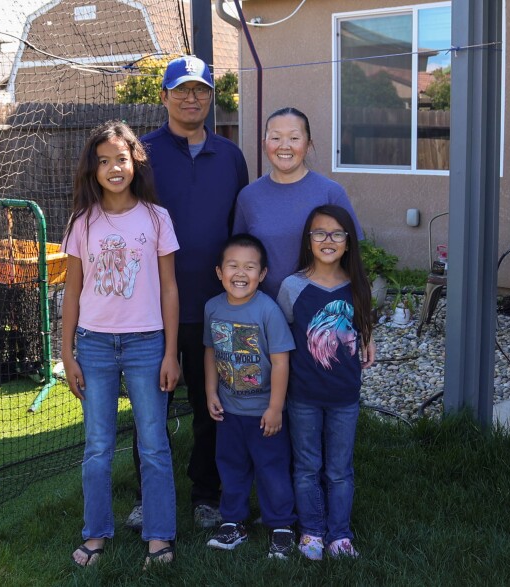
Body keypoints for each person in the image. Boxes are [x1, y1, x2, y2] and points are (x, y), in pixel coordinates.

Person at [126, 55, 250, 530]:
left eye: (200, 90)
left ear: (211, 98)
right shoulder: (143, 154)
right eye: (181, 90)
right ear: (164, 97)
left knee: (208, 405)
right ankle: (147, 496)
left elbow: (237, 229)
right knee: (149, 407)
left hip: (213, 305)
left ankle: (206, 494)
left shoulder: (231, 156)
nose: (191, 98)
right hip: (151, 307)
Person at [61, 121, 179, 568]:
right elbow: (72, 292)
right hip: (93, 346)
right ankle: (95, 534)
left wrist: (170, 351)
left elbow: (169, 288)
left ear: (135, 164)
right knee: (97, 446)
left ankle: (160, 537)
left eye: (121, 159)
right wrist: (66, 352)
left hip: (148, 345)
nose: (113, 168)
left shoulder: (156, 218)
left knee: (153, 443)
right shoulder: (82, 222)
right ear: (93, 169)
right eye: (104, 160)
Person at [276, 204, 377, 561]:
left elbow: (362, 324)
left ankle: (340, 535)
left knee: (339, 470)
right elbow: (283, 335)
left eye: (337, 234)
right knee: (306, 467)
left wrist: (368, 336)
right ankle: (312, 532)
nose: (328, 240)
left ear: (349, 242)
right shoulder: (293, 287)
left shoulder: (359, 286)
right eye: (320, 233)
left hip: (345, 398)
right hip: (302, 395)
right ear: (309, 240)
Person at [203, 234, 297, 559]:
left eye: (249, 267)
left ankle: (282, 527)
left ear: (263, 273)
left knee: (272, 468)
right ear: (219, 271)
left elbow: (282, 361)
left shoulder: (267, 311)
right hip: (229, 411)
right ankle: (234, 523)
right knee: (230, 467)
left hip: (263, 412)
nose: (240, 273)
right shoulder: (212, 308)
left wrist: (276, 408)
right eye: (233, 266)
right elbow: (211, 351)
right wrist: (210, 390)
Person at [233, 107, 363, 300]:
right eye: (276, 138)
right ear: (264, 144)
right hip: (264, 309)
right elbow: (238, 256)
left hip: (318, 312)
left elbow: (353, 255)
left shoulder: (331, 193)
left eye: (294, 138)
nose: (284, 146)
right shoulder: (249, 197)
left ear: (308, 144)